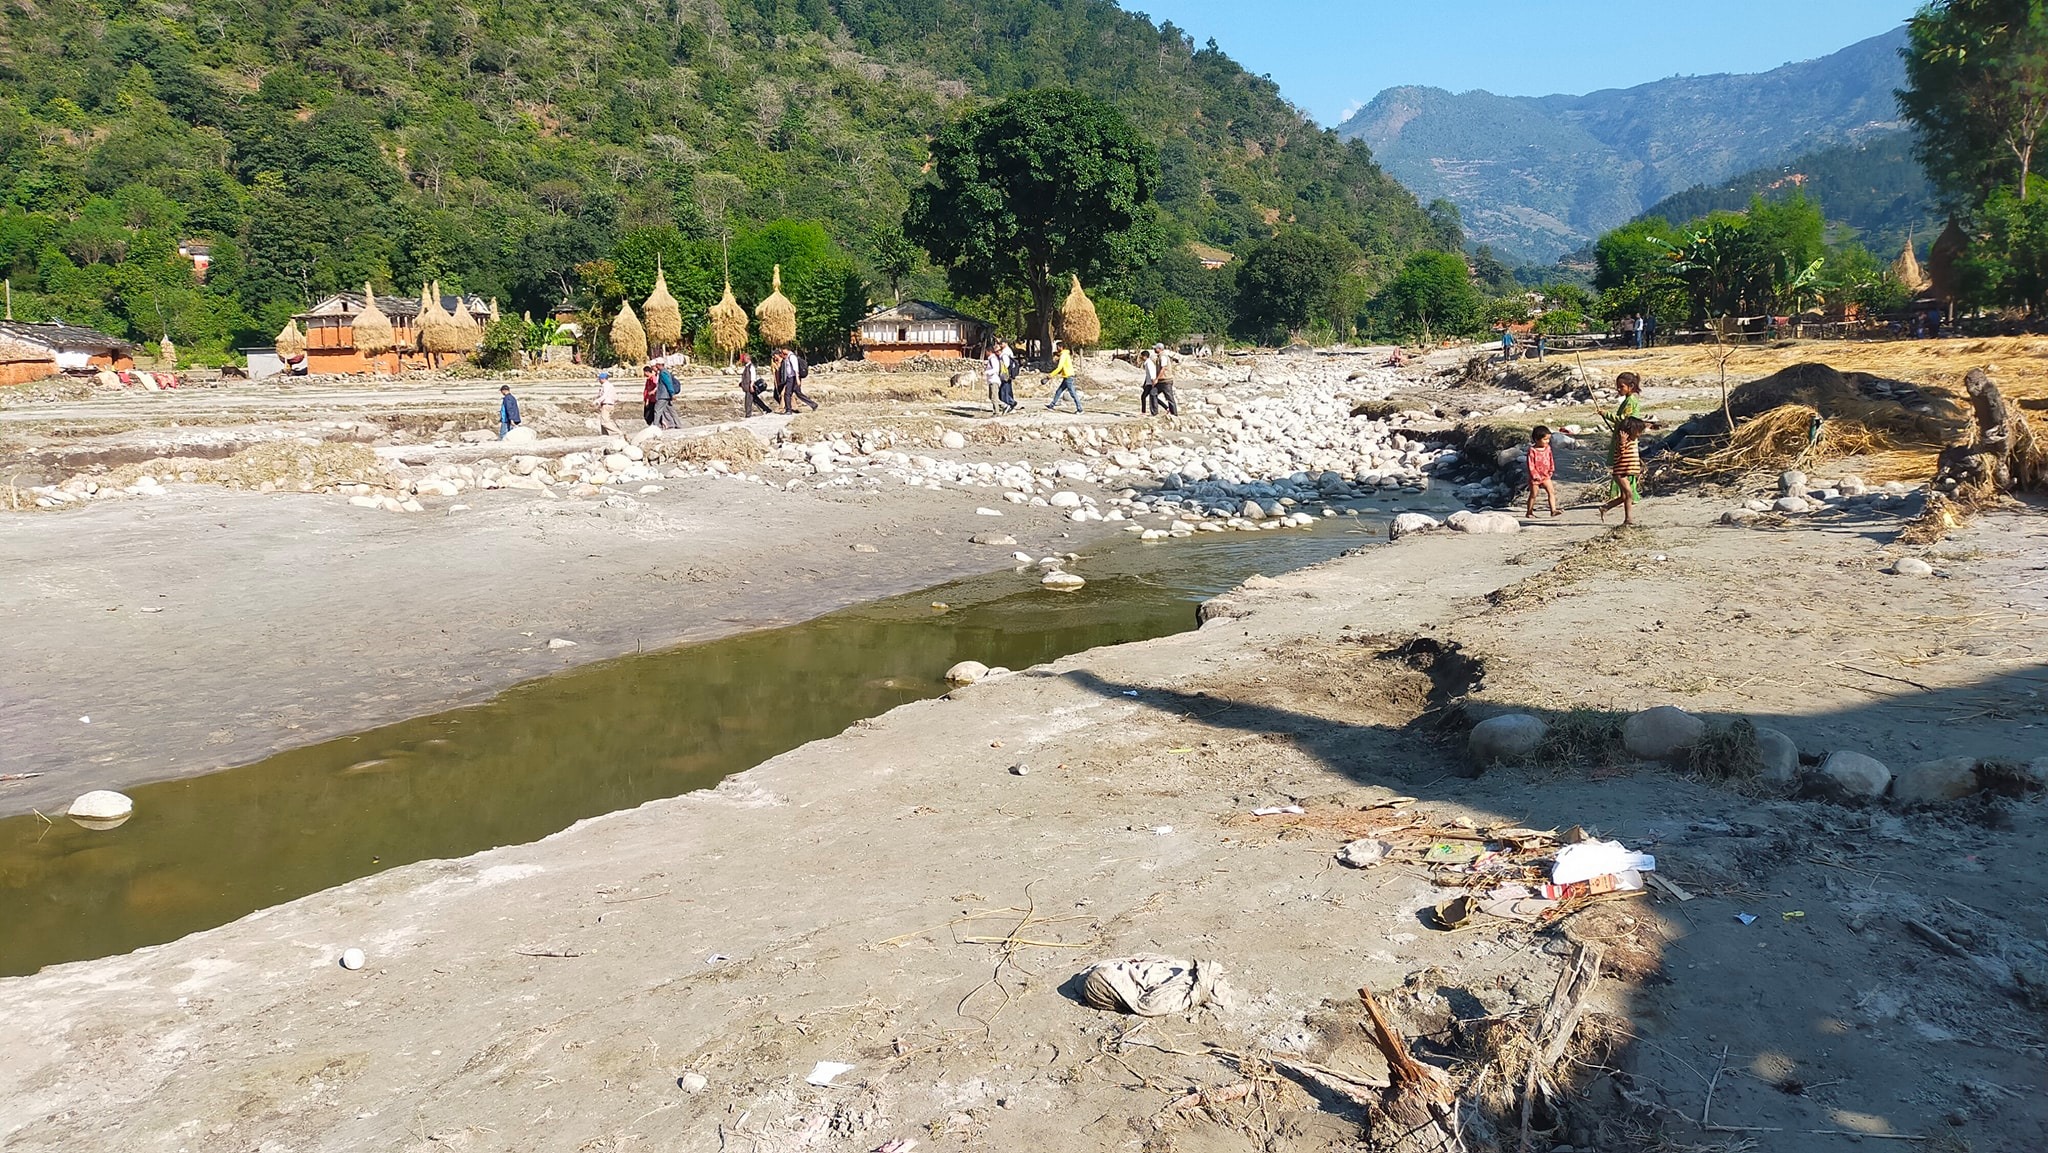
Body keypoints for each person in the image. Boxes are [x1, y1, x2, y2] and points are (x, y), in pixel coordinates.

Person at [1600, 417, 1648, 524]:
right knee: (1629, 494)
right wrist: (1622, 442)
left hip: (1627, 472)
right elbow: (1620, 453)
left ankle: (1605, 507)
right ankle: (1628, 519)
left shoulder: (1634, 441)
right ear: (1631, 430)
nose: (1640, 434)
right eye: (1639, 431)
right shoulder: (1621, 441)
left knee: (1624, 497)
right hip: (1620, 473)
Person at [1525, 425, 1561, 519]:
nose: (1547, 441)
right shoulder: (1532, 450)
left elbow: (1550, 458)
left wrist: (1551, 469)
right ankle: (1529, 512)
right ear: (1536, 439)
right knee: (1534, 494)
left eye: (1548, 439)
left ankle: (1553, 510)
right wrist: (1534, 475)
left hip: (1545, 476)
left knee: (1551, 492)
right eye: (1545, 439)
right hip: (1535, 478)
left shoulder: (1548, 448)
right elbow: (1530, 464)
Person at [776, 348, 817, 413]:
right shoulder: (787, 357)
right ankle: (813, 405)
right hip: (790, 377)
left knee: (787, 393)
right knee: (798, 393)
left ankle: (788, 410)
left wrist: (797, 379)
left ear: (786, 349)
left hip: (793, 377)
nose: (781, 352)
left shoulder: (792, 357)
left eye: (782, 350)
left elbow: (795, 369)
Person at [1044, 341, 1080, 413]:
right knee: (1059, 391)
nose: (1057, 348)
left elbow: (1059, 367)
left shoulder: (1063, 355)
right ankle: (1052, 405)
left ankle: (1080, 409)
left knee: (1073, 393)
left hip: (1068, 376)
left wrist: (1051, 375)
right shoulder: (1065, 354)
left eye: (1057, 347)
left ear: (1061, 347)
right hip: (1067, 376)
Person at [1151, 343, 1179, 416]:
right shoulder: (1159, 357)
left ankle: (1174, 414)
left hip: (1166, 380)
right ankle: (1154, 413)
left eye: (1155, 348)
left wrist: (1157, 379)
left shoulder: (1163, 357)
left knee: (1169, 398)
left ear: (1159, 349)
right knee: (1153, 393)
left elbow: (1163, 369)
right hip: (1160, 381)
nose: (1154, 349)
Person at [652, 360, 681, 429]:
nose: (656, 367)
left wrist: (672, 393)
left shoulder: (663, 373)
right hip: (667, 395)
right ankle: (678, 424)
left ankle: (655, 426)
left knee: (657, 410)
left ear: (659, 365)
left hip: (663, 395)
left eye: (656, 365)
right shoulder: (665, 372)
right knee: (671, 410)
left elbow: (668, 384)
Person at [594, 369, 620, 435]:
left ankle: (618, 432)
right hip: (609, 405)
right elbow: (616, 397)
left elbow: (604, 395)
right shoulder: (610, 386)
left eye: (599, 379)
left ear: (602, 379)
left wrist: (597, 401)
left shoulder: (606, 386)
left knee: (604, 422)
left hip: (606, 405)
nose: (599, 381)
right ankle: (605, 435)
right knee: (603, 422)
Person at [996, 340, 1018, 413]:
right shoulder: (1006, 352)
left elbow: (1006, 364)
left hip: (1006, 374)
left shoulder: (1005, 353)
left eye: (1001, 343)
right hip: (1007, 374)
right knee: (1007, 390)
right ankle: (1010, 403)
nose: (1000, 345)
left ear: (1006, 343)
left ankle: (1011, 403)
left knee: (1004, 390)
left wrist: (1001, 371)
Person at [984, 342, 1006, 415]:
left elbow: (995, 369)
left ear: (989, 351)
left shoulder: (993, 359)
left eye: (986, 351)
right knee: (991, 397)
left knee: (994, 397)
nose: (986, 353)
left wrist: (986, 372)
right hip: (991, 380)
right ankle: (1002, 406)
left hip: (994, 380)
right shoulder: (991, 359)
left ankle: (997, 412)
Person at [1138, 347, 1158, 415]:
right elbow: (1147, 375)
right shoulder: (1147, 363)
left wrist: (1153, 382)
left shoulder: (1148, 363)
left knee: (1144, 396)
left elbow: (1151, 373)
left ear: (1145, 356)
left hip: (1151, 383)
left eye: (1142, 356)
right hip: (1149, 382)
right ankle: (1166, 408)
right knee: (1153, 397)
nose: (1141, 357)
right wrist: (1145, 383)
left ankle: (1143, 412)